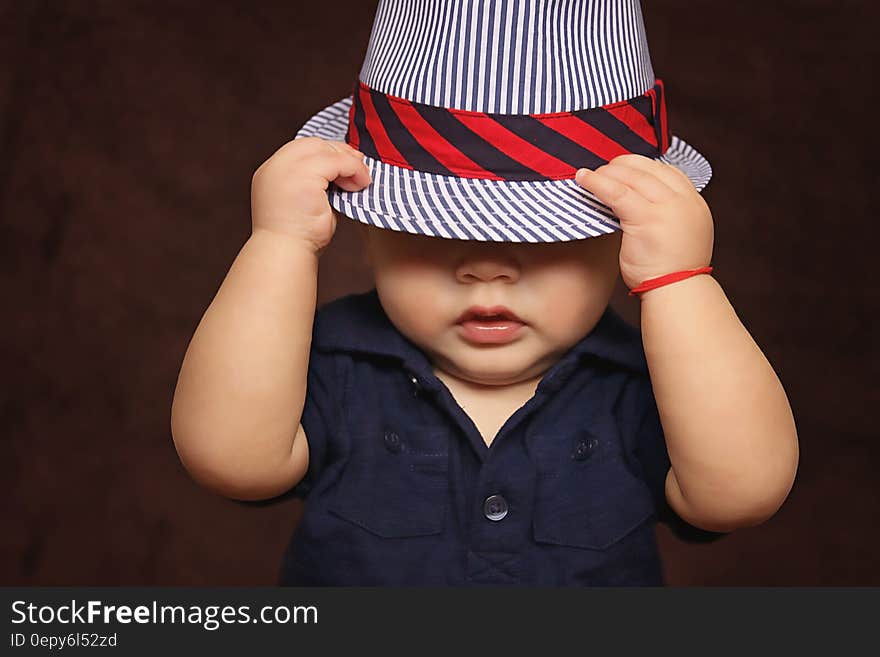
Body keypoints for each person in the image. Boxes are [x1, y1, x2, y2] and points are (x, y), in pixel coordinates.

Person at [170, 0, 799, 586]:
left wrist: (681, 283)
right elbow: (229, 459)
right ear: (369, 233)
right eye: (435, 232)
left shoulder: (654, 385)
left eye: (549, 239)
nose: (487, 268)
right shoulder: (334, 368)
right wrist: (278, 245)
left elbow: (741, 494)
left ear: (620, 246)